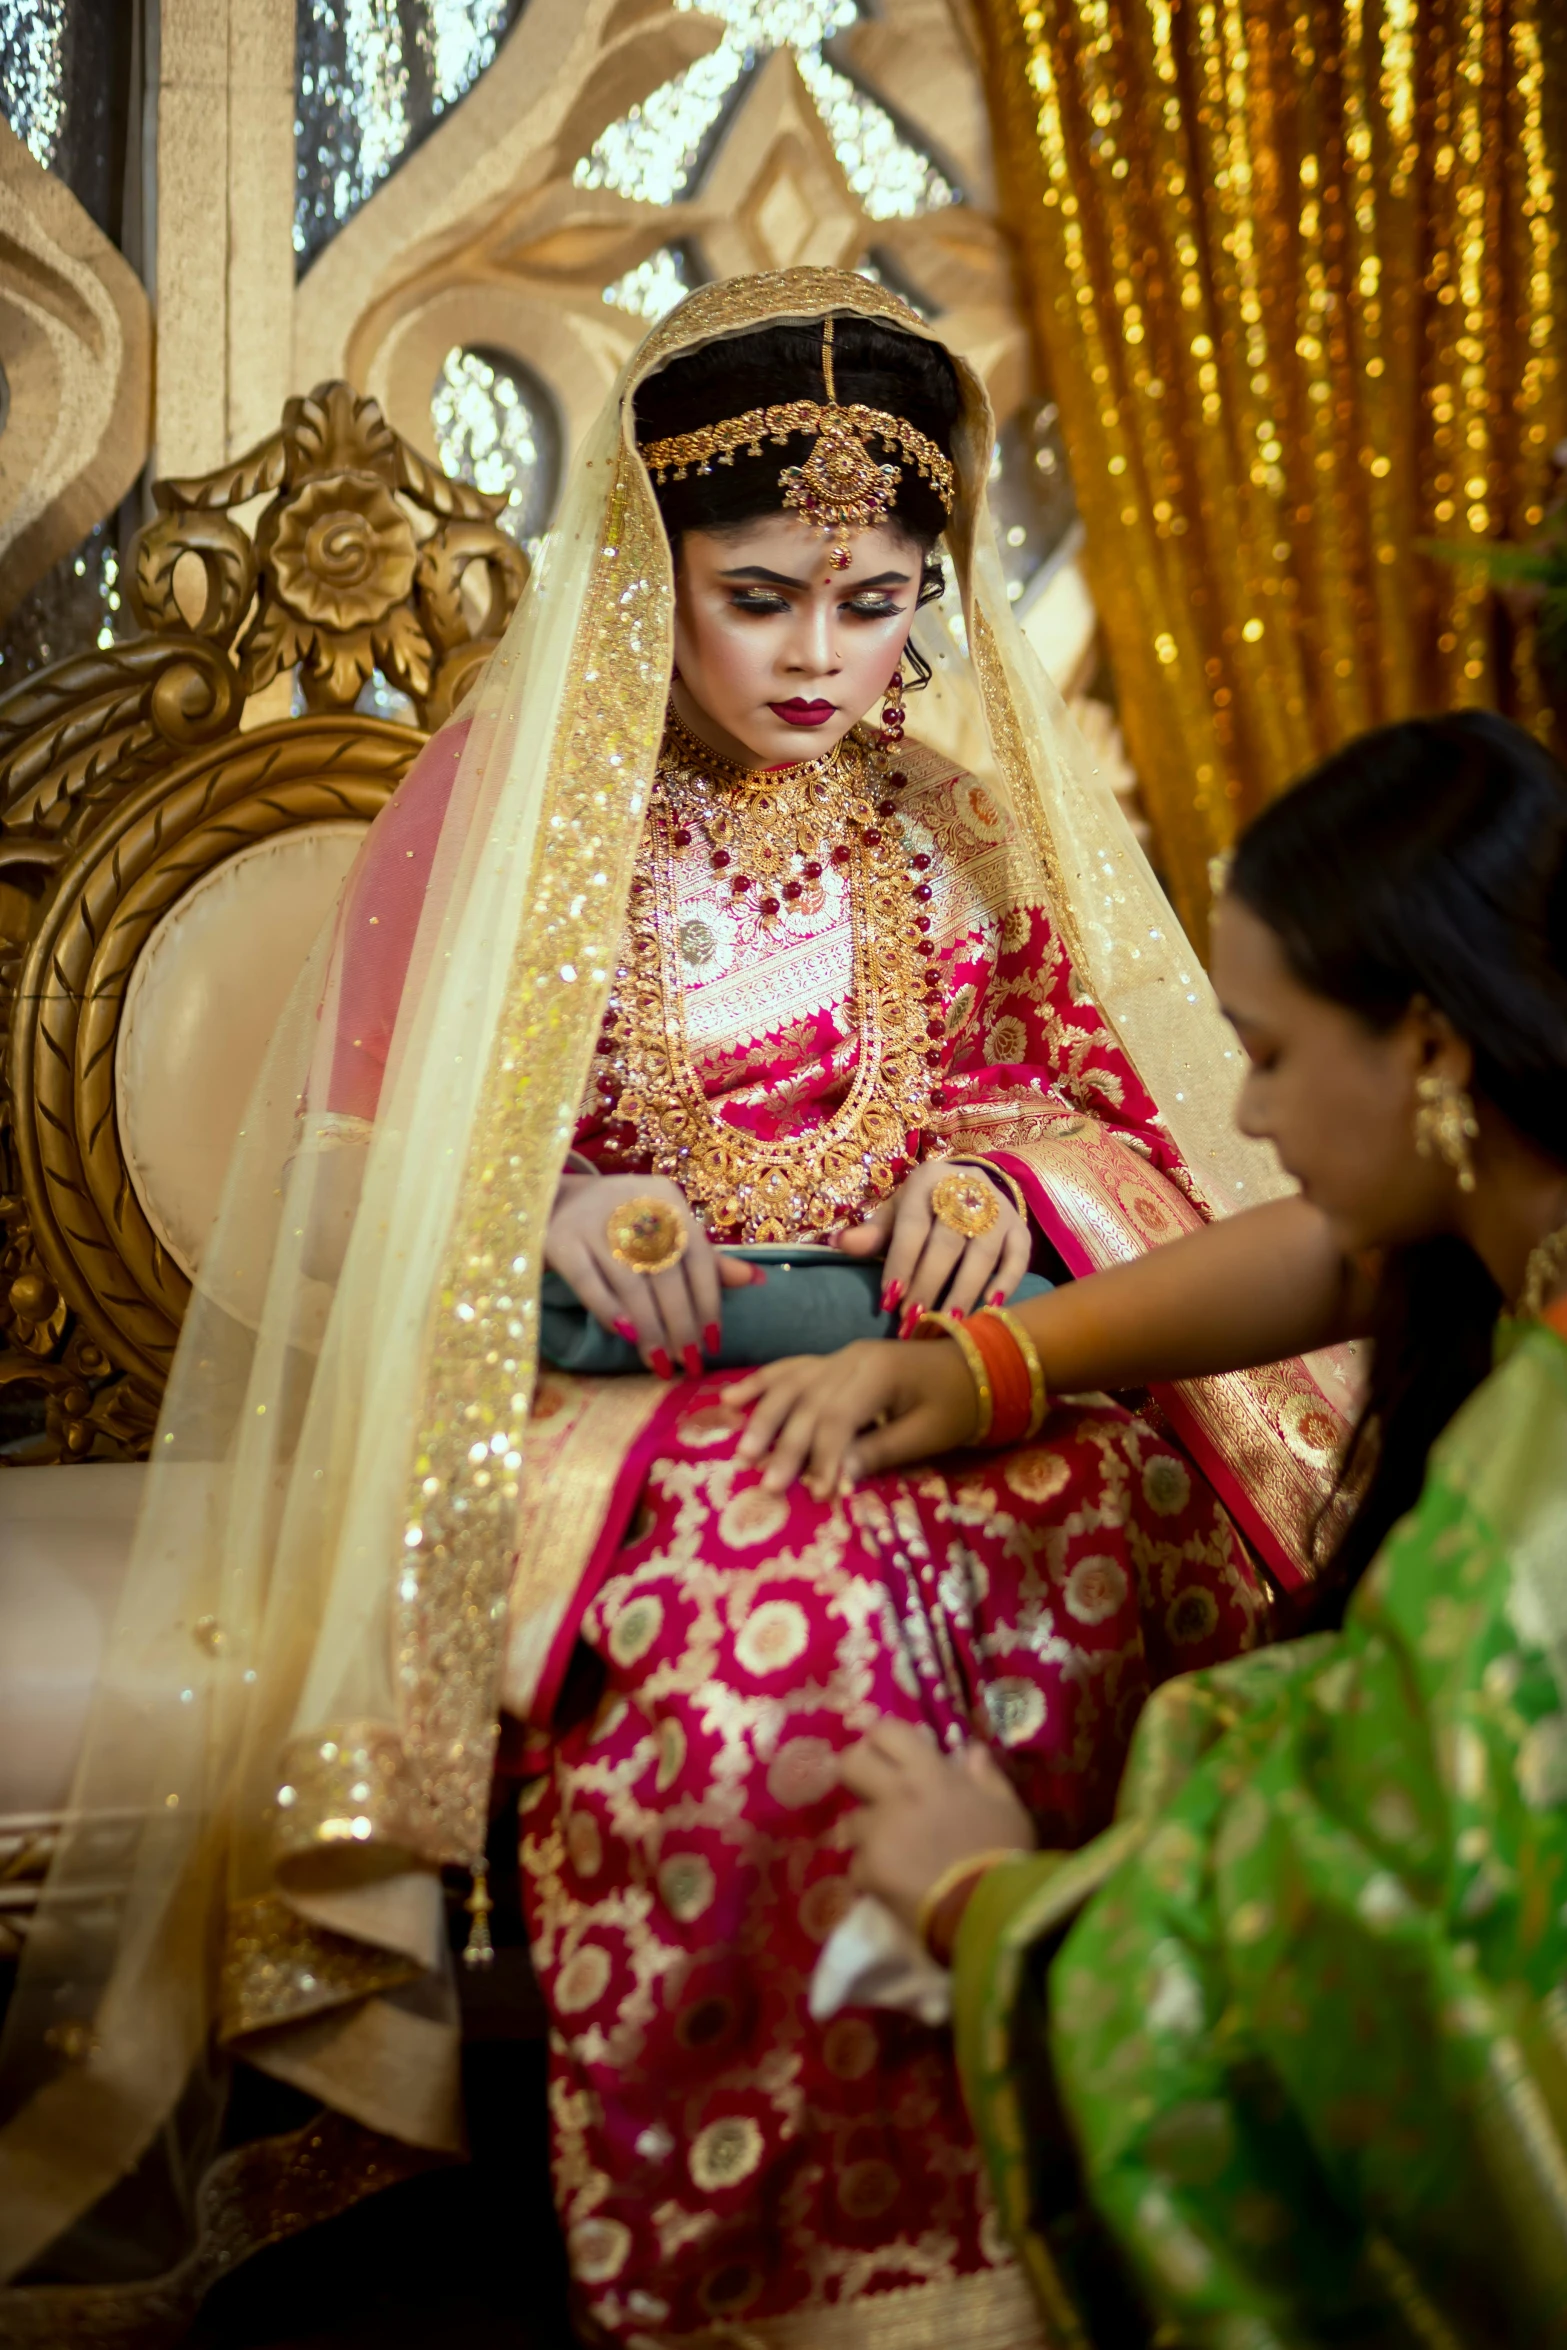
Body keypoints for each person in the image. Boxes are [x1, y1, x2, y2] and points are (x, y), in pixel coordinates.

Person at [0, 271, 1341, 2348]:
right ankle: (790, 2267)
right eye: (767, 593)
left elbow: (1079, 1088)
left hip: (938, 1370)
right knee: (763, 1615)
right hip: (619, 1414)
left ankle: (1111, 2203)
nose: (829, 654)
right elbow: (326, 1198)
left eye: (883, 596)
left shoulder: (953, 819)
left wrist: (999, 1172)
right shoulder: (512, 818)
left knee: (1133, 1540)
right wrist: (546, 1211)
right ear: (655, 564)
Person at [737, 711, 1567, 2345]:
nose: (1243, 1115)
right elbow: (1339, 1247)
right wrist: (991, 1361)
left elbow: (1368, 1991)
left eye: (1263, 1052)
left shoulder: (1519, 1518)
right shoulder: (1512, 1195)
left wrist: (986, 1909)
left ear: (1432, 1046)